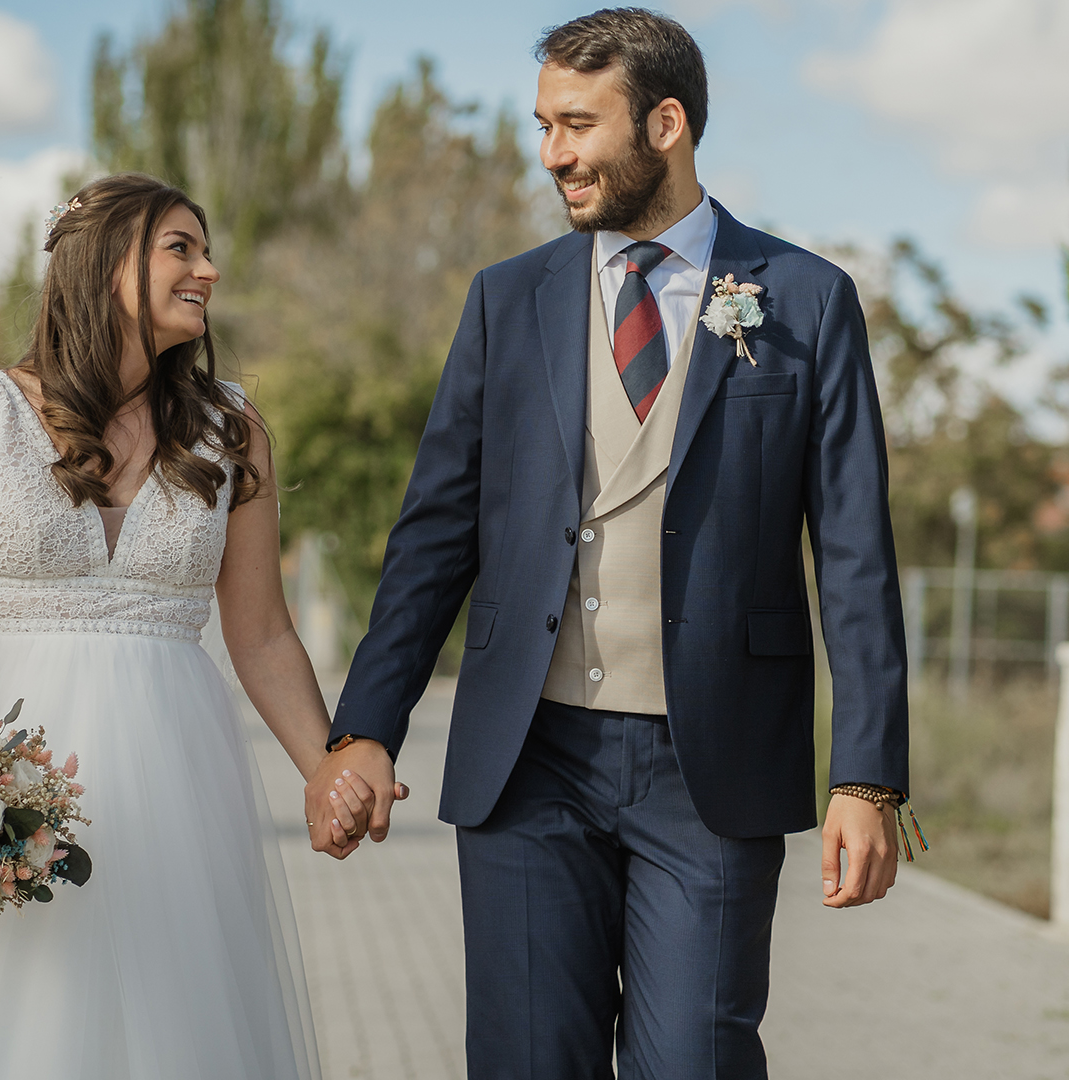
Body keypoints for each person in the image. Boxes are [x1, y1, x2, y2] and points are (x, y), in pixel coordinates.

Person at [317, 9, 910, 1077]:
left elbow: (857, 555)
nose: (554, 153)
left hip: (713, 764)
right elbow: (435, 533)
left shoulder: (806, 301)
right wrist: (366, 725)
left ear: (665, 124)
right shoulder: (506, 300)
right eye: (544, 126)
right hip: (527, 757)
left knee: (695, 1060)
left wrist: (866, 780)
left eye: (579, 125)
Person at [0, 173, 365, 1079]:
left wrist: (327, 769)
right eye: (181, 248)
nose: (208, 270)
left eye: (207, 252)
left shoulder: (231, 429)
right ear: (106, 263)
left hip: (176, 791)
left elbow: (264, 636)